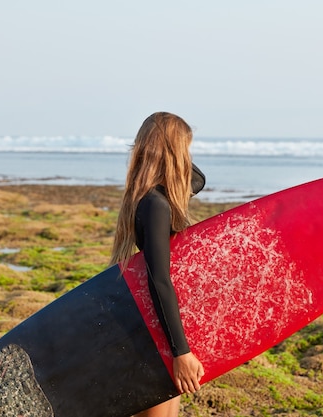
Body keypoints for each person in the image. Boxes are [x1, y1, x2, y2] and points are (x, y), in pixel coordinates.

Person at [109, 112, 206, 417]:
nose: (189, 157)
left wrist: (169, 158)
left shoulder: (151, 197)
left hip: (155, 327)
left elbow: (199, 182)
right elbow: (159, 280)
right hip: (154, 336)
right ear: (175, 152)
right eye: (185, 149)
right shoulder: (155, 205)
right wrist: (182, 352)